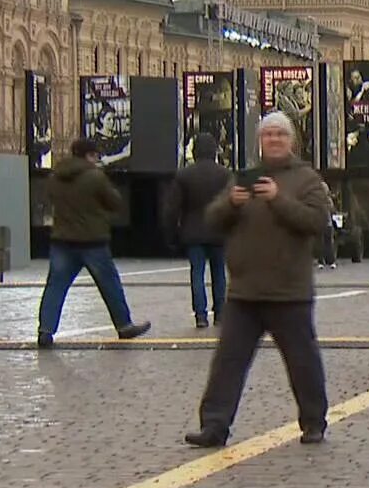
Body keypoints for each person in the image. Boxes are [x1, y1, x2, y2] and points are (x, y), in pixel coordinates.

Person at [185, 112, 333, 447]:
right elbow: (212, 218)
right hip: (245, 292)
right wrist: (232, 204)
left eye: (281, 134)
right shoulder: (243, 177)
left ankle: (313, 422)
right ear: (260, 141)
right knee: (227, 362)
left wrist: (278, 199)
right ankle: (214, 426)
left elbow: (317, 222)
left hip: (289, 291)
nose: (275, 140)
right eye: (268, 135)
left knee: (302, 361)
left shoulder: (306, 178)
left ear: (291, 140)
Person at [37, 137, 150, 348]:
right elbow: (115, 202)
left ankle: (45, 330)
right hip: (92, 241)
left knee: (55, 286)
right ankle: (124, 326)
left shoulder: (55, 177)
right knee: (110, 284)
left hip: (62, 239)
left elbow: (51, 199)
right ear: (90, 155)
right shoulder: (95, 177)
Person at [164, 132, 232, 329]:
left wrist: (171, 234)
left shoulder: (184, 175)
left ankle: (200, 315)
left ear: (195, 151)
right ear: (214, 151)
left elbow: (172, 208)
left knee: (197, 274)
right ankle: (220, 313)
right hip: (219, 231)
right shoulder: (225, 174)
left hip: (193, 232)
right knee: (219, 273)